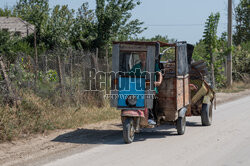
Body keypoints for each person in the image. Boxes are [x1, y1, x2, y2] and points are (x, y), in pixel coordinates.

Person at [130, 52, 163, 125]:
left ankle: (151, 118)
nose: (142, 56)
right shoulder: (136, 66)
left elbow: (159, 73)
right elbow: (129, 75)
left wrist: (159, 81)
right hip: (138, 89)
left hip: (151, 88)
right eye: (140, 55)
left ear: (147, 56)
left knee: (149, 99)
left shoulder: (153, 65)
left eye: (143, 55)